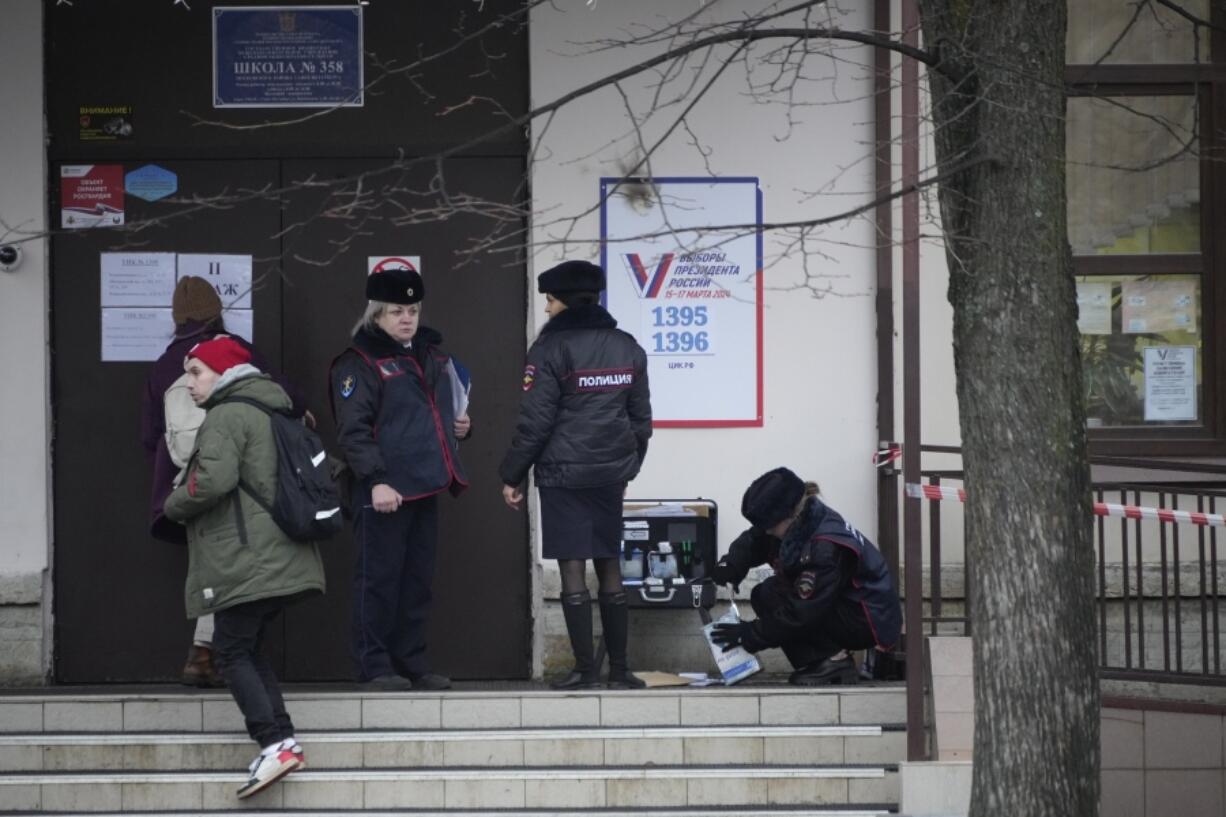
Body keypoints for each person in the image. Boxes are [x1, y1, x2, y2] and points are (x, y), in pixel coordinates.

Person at [162, 336, 326, 799]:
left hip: (247, 556)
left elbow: (212, 481)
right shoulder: (270, 407)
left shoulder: (227, 414)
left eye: (196, 372)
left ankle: (273, 743)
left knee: (231, 652)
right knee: (247, 649)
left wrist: (171, 505)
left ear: (223, 372)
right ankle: (284, 738)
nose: (189, 382)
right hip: (276, 555)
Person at [139, 276, 307, 687]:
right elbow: (283, 395)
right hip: (238, 480)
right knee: (232, 563)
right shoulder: (233, 352)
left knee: (210, 560)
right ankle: (218, 653)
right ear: (218, 312)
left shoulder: (164, 366)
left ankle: (206, 652)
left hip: (184, 481)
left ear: (176, 318)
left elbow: (149, 436)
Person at [499, 260, 652, 689]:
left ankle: (585, 670)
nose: (546, 309)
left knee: (572, 568)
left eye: (549, 300)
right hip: (609, 476)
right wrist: (629, 463)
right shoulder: (628, 346)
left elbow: (535, 423)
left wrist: (512, 475)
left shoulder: (548, 350)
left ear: (563, 301)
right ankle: (620, 671)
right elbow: (641, 418)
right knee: (609, 564)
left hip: (563, 476)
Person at [330, 265, 471, 691]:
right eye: (396, 311)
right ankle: (374, 664)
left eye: (412, 309)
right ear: (376, 315)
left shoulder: (432, 356)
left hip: (426, 484)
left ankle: (411, 661)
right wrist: (375, 480)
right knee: (379, 581)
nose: (407, 317)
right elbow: (353, 431)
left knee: (416, 582)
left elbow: (430, 413)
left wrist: (459, 427)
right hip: (385, 490)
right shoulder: (359, 363)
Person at [710, 467, 901, 686]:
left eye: (770, 527)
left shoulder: (824, 547)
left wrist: (750, 634)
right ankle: (822, 661)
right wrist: (732, 564)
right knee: (766, 593)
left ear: (789, 516)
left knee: (773, 594)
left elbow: (801, 612)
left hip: (866, 618)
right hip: (845, 604)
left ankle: (833, 661)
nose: (768, 532)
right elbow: (756, 539)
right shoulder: (800, 519)